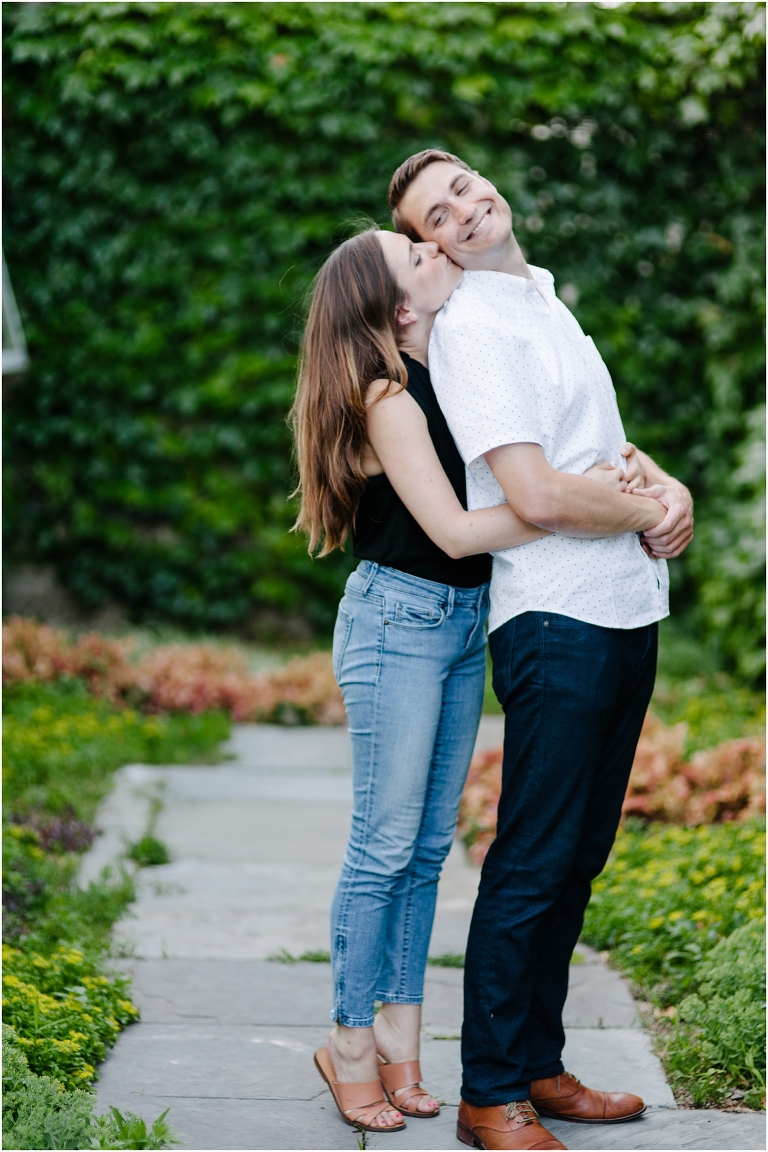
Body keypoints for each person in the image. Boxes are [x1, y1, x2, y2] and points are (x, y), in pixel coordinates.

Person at [290, 225, 657, 1137]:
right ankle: (348, 1049)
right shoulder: (388, 398)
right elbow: (460, 531)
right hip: (397, 622)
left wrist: (590, 490)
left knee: (425, 850)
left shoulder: (453, 365)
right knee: (382, 847)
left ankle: (404, 1055)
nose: (436, 248)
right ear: (398, 307)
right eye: (415, 254)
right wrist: (578, 510)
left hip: (457, 625)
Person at [388, 149, 694, 1151]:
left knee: (578, 857)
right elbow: (539, 494)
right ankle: (490, 1094)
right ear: (432, 244)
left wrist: (665, 488)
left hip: (621, 606)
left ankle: (539, 1064)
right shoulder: (474, 328)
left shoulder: (544, 301)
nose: (467, 211)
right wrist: (641, 505)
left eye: (467, 188)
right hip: (556, 621)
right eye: (440, 214)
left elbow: (596, 453)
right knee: (533, 855)